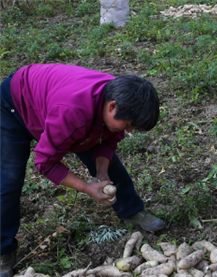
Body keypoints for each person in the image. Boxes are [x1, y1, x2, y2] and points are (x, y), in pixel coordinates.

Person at [0, 64, 165, 276]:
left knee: (110, 159)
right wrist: (87, 187)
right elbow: (45, 162)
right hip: (14, 105)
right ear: (112, 106)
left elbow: (109, 140)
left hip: (56, 106)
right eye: (129, 124)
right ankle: (3, 251)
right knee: (8, 180)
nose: (129, 131)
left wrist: (102, 173)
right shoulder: (73, 112)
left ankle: (131, 210)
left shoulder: (119, 98)